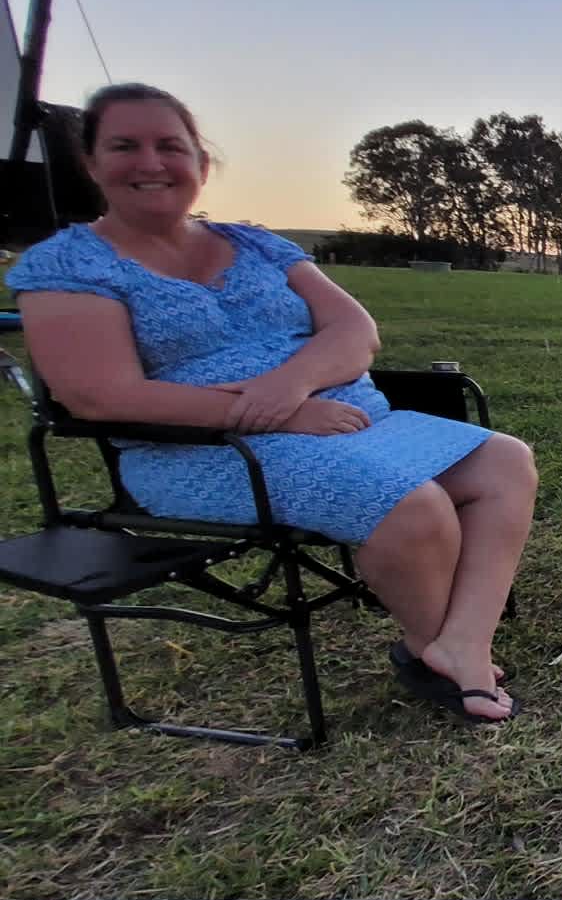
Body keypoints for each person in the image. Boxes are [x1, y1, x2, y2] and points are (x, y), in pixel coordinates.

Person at [4, 83, 534, 724]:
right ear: (90, 163)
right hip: (202, 451)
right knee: (410, 505)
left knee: (506, 463)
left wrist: (289, 386)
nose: (150, 163)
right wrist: (275, 413)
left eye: (170, 146)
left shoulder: (256, 244)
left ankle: (463, 641)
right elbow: (100, 394)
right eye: (125, 145)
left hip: (351, 420)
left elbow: (354, 333)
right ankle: (433, 649)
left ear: (200, 162)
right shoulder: (69, 264)